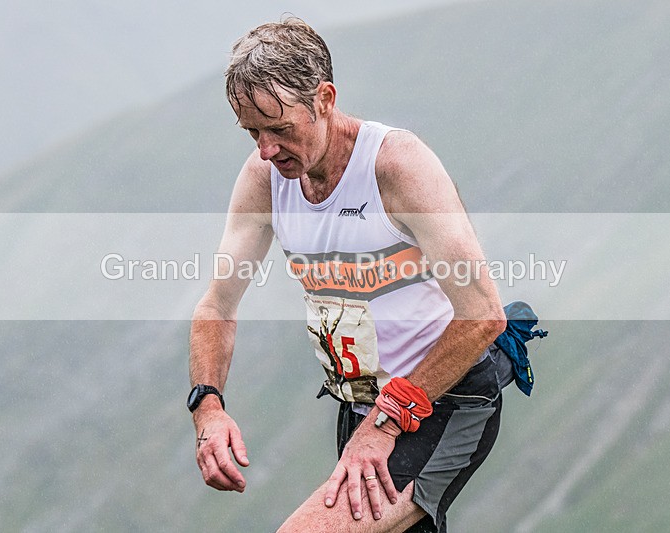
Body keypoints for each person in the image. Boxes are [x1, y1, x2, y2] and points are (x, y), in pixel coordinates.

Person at [188, 17, 510, 532]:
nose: (266, 150)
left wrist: (386, 422)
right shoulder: (266, 178)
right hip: (361, 403)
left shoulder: (397, 168)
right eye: (252, 132)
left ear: (324, 99)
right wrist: (208, 408)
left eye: (279, 129)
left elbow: (483, 316)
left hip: (445, 399)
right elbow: (218, 305)